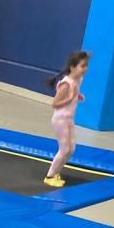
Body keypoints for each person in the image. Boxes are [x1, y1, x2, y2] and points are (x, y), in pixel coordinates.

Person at [45, 50, 90, 188]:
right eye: (82, 66)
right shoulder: (66, 84)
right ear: (73, 67)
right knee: (64, 150)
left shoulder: (78, 79)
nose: (86, 69)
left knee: (71, 149)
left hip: (69, 119)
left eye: (86, 65)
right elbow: (55, 104)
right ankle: (49, 176)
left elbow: (74, 93)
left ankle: (56, 173)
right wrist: (70, 98)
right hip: (60, 120)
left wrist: (77, 96)